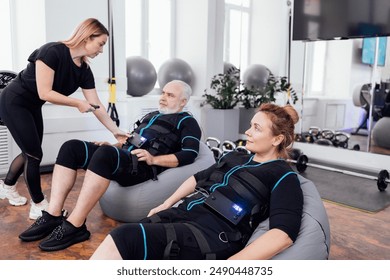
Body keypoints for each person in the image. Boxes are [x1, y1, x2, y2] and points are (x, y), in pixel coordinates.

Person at [90, 103, 304, 260]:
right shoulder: (235, 157)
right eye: (250, 125)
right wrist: (166, 204)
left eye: (257, 128)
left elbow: (283, 234)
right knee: (130, 239)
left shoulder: (283, 175)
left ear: (277, 139)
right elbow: (197, 178)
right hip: (183, 213)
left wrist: (233, 265)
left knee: (126, 237)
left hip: (212, 233)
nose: (247, 132)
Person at [19, 80, 202, 252]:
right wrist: (113, 146)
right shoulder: (151, 116)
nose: (163, 97)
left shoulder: (187, 122)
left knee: (105, 155)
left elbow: (190, 154)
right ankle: (53, 215)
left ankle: (76, 225)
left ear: (183, 101)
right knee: (71, 147)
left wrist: (153, 160)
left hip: (143, 166)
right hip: (125, 157)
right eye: (163, 93)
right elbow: (131, 141)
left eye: (170, 95)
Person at [0, 18, 129, 219]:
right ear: (87, 36)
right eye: (101, 44)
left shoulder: (84, 71)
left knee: (31, 152)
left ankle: (7, 186)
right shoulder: (52, 52)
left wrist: (115, 130)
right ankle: (39, 205)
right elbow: (45, 92)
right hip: (14, 101)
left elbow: (96, 105)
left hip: (32, 106)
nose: (101, 50)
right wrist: (77, 103)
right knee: (34, 154)